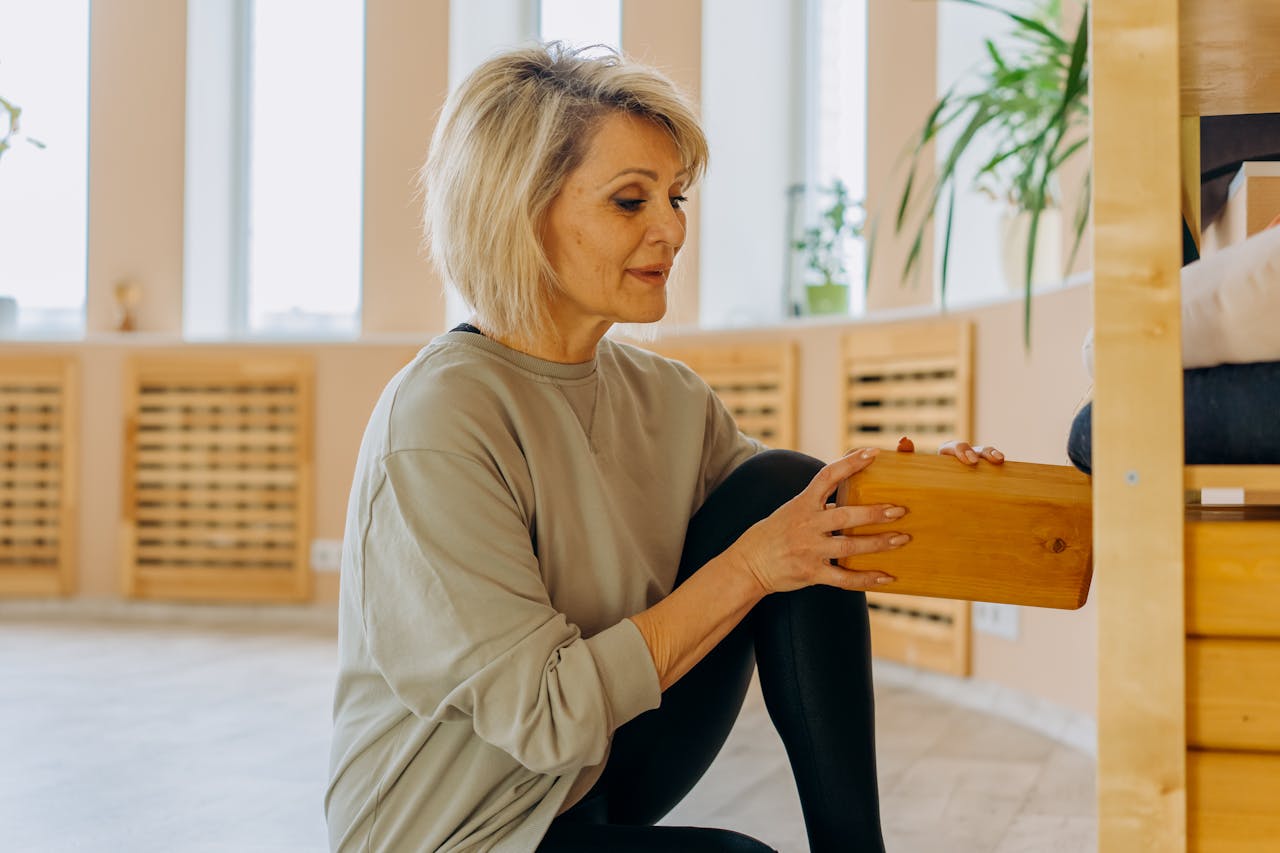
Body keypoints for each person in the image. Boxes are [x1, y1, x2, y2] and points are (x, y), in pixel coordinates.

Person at [325, 43, 1003, 853]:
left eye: (675, 197)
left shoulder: (669, 397)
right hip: (459, 832)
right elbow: (544, 718)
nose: (672, 229)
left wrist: (936, 490)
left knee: (793, 489)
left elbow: (805, 526)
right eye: (629, 201)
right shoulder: (438, 423)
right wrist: (754, 563)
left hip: (591, 784)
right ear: (519, 208)